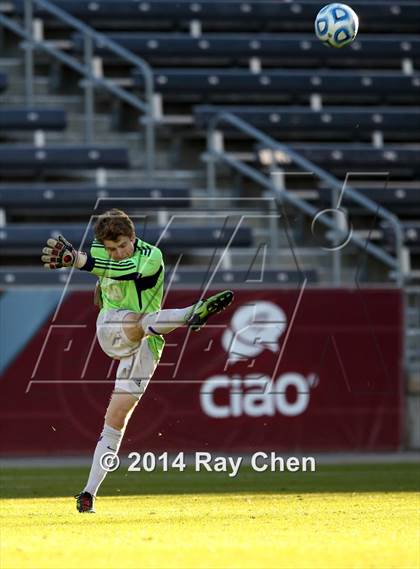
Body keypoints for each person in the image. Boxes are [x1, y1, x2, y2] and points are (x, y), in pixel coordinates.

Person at [41, 208, 234, 513]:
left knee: (116, 420)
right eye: (111, 249)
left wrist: (79, 262)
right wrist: (92, 275)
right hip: (112, 327)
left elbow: (123, 272)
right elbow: (105, 271)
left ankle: (88, 494)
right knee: (138, 321)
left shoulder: (151, 256)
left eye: (122, 246)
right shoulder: (98, 251)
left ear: (133, 237)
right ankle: (190, 313)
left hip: (149, 342)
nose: (117, 253)